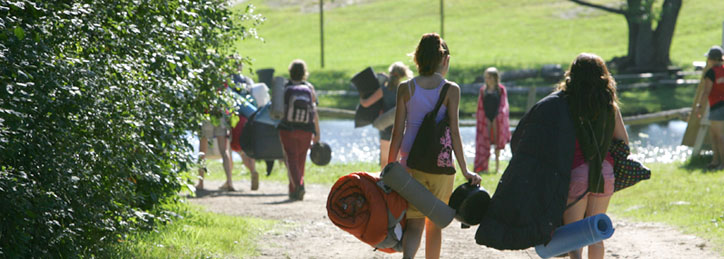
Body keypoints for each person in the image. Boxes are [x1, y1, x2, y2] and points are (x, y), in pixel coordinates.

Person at [387, 33, 481, 259]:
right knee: (434, 224)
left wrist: (390, 167)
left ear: (417, 59)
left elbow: (397, 131)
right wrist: (466, 169)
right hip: (441, 163)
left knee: (414, 223)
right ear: (445, 60)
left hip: (410, 163)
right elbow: (455, 133)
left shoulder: (405, 88)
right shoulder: (451, 89)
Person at [560, 53, 629, 259]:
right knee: (595, 236)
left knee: (575, 238)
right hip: (604, 172)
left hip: (576, 172)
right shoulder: (610, 107)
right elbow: (624, 143)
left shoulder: (565, 105)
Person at [278, 59, 321, 201]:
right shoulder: (309, 88)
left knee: (291, 158)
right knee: (300, 159)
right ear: (304, 73)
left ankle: (298, 186)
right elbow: (314, 111)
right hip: (307, 129)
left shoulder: (285, 87)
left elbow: (278, 110)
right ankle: (294, 190)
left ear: (290, 72)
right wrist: (317, 132)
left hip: (288, 128)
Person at [359, 62, 413, 168]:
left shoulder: (384, 90)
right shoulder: (405, 89)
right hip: (400, 128)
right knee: (397, 162)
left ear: (390, 73)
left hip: (385, 126)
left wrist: (361, 97)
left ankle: (383, 182)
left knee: (384, 161)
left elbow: (366, 103)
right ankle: (396, 183)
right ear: (403, 75)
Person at [228, 58, 260, 191]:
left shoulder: (228, 81)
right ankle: (253, 170)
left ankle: (228, 180)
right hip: (250, 119)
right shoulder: (248, 81)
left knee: (229, 150)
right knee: (247, 149)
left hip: (234, 119)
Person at [474, 67, 511, 174]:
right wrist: (483, 118)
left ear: (495, 78)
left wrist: (498, 116)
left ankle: (497, 167)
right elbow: (480, 106)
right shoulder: (483, 90)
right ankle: (484, 167)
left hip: (497, 119)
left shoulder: (501, 90)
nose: (487, 79)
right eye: (486, 77)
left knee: (497, 144)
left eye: (489, 77)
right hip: (486, 119)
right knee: (485, 143)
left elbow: (504, 104)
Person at [694, 45, 724, 170]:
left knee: (719, 136)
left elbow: (706, 91)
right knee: (713, 134)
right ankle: (715, 160)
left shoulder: (711, 72)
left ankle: (722, 164)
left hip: (717, 106)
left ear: (711, 59)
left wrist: (699, 106)